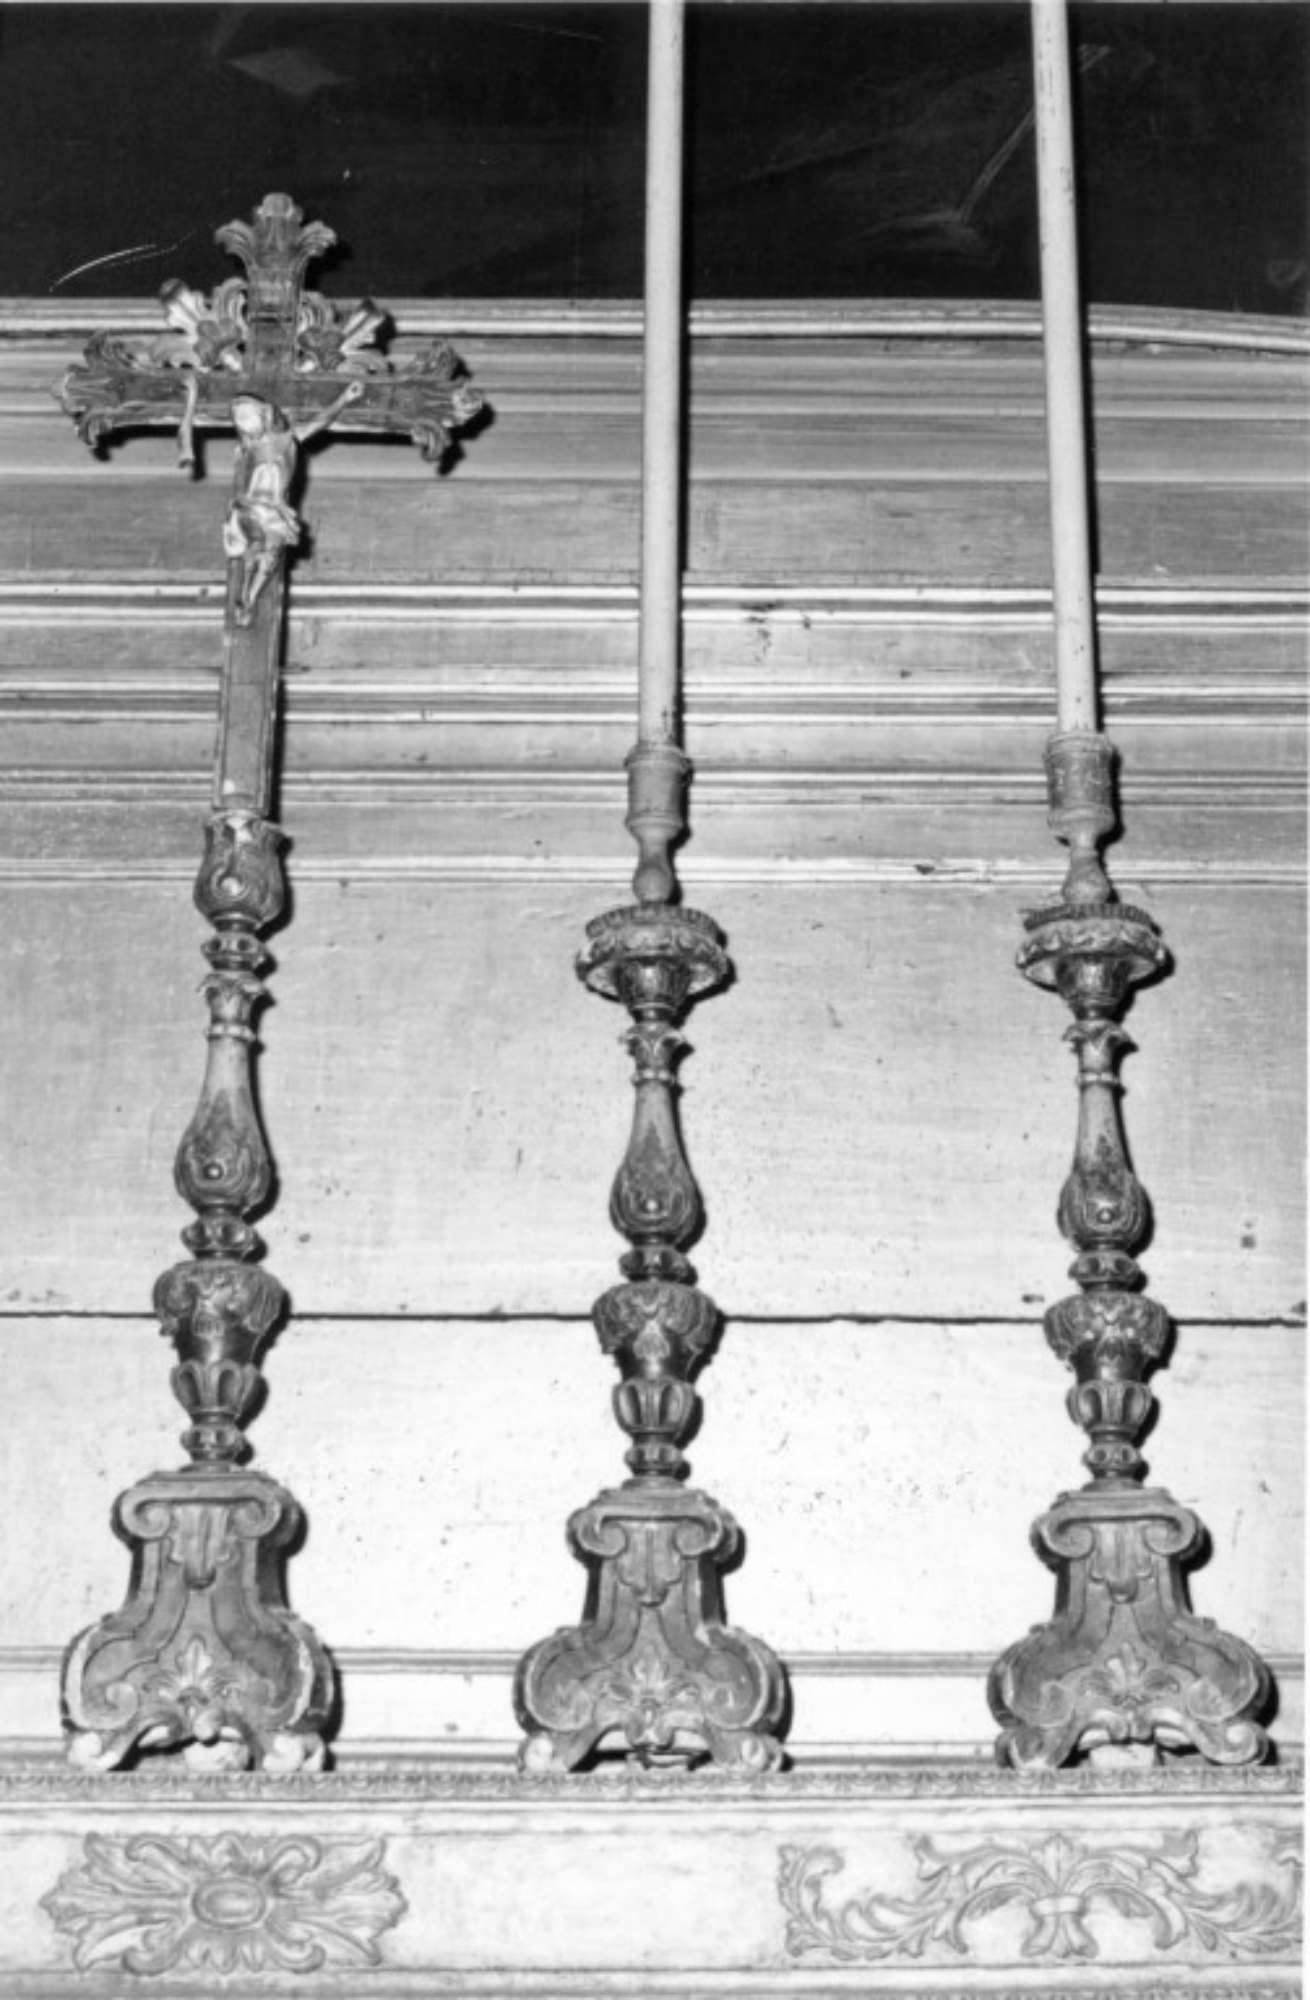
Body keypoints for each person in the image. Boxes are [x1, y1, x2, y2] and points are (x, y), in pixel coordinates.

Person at [223, 382, 363, 625]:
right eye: (238, 418)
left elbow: (320, 422)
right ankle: (245, 596)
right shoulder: (248, 445)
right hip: (251, 507)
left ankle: (250, 599)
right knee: (253, 552)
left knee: (268, 555)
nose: (242, 423)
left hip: (273, 511)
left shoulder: (286, 439)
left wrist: (344, 399)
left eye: (246, 416)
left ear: (265, 415)